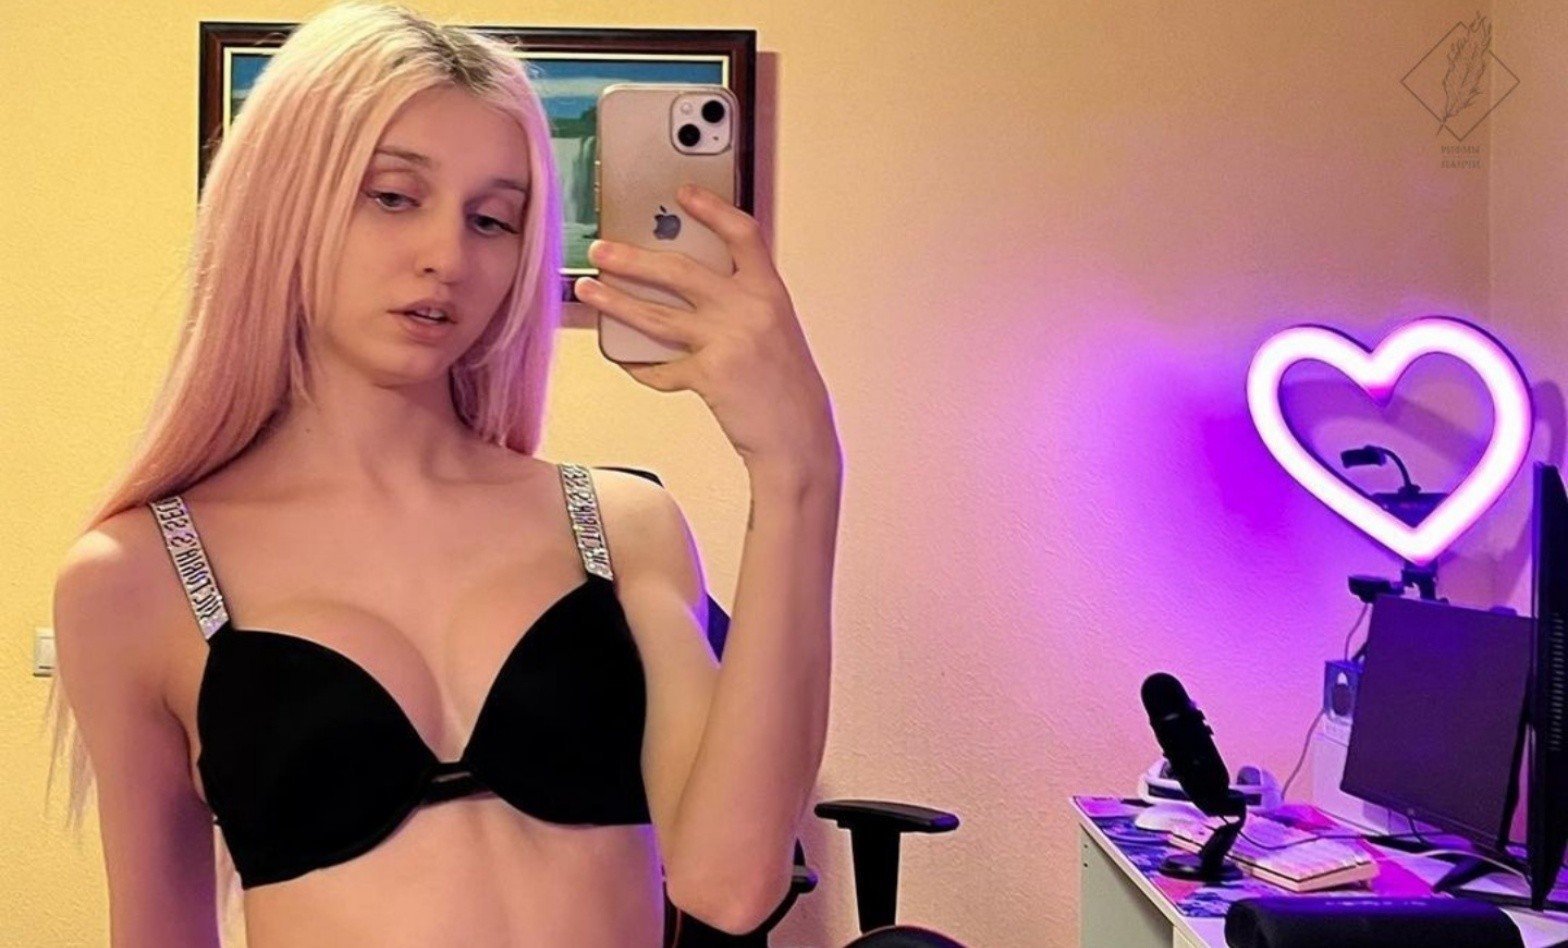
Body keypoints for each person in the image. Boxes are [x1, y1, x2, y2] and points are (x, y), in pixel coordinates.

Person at [44, 2, 842, 946]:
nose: (448, 257)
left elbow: (732, 885)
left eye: (493, 219)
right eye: (393, 197)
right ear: (279, 202)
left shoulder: (619, 525)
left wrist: (799, 469)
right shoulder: (136, 577)